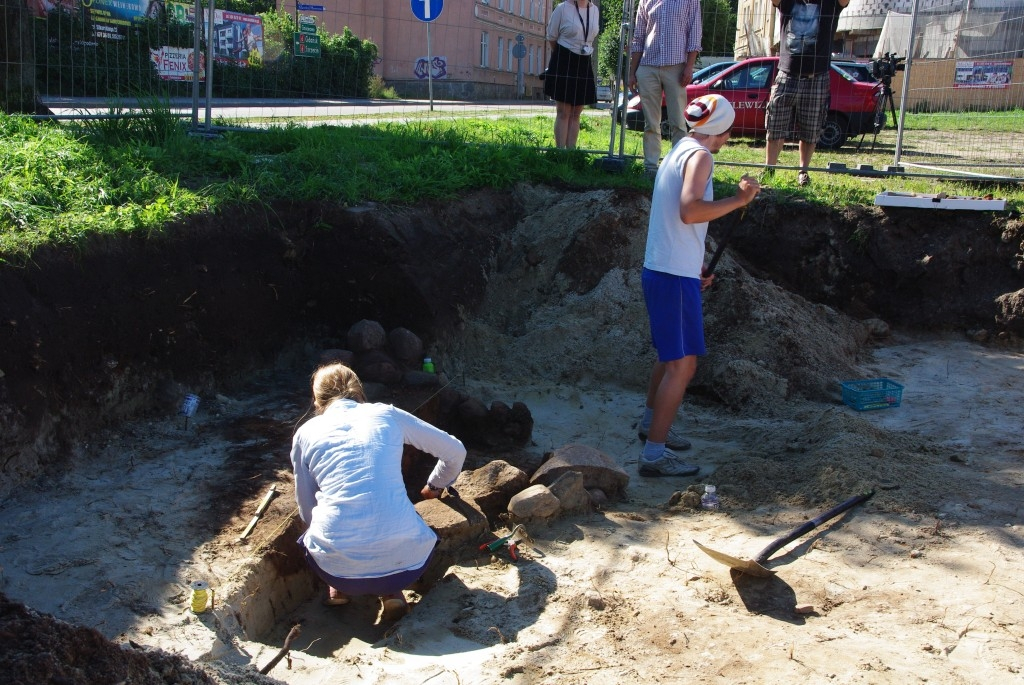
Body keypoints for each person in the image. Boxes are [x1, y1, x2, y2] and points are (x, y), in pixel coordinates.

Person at [637, 94, 760, 477]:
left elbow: (676, 220)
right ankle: (654, 456)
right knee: (683, 366)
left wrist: (695, 266)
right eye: (728, 130)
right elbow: (689, 211)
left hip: (666, 269)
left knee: (669, 356)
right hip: (672, 275)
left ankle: (649, 425)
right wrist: (739, 200)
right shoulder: (701, 157)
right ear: (719, 129)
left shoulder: (679, 150)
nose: (728, 137)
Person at [290, 363, 466, 617]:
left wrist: (328, 537)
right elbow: (455, 451)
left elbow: (305, 504)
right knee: (397, 515)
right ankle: (392, 592)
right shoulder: (387, 414)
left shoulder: (305, 433)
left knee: (323, 521)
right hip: (410, 565)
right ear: (359, 391)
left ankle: (337, 589)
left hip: (337, 571)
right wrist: (435, 485)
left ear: (317, 400)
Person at [764, 0, 850, 186]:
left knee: (811, 130)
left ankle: (803, 172)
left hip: (817, 77)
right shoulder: (787, 2)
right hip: (787, 75)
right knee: (775, 126)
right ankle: (769, 170)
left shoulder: (831, 4)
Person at [627, 0, 703, 177]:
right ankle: (651, 168)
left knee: (678, 121)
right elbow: (638, 37)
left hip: (676, 66)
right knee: (651, 123)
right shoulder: (645, 1)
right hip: (648, 66)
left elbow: (695, 34)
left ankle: (679, 169)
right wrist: (633, 72)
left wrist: (689, 66)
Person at [544, 0, 600, 148]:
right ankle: (560, 153)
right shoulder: (562, 9)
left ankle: (572, 153)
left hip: (584, 62)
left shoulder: (594, 10)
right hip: (564, 59)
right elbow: (551, 37)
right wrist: (563, 57)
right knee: (564, 112)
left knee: (576, 113)